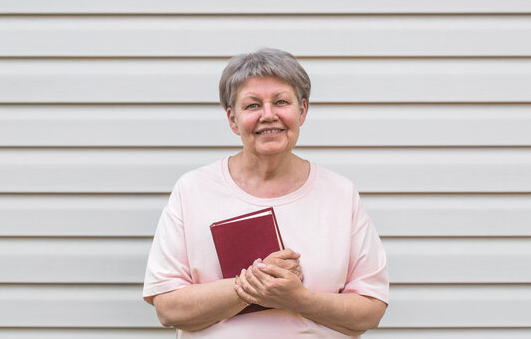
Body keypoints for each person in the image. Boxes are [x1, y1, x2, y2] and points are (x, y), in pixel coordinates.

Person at [143, 48, 389, 338]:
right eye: (252, 106)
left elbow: (370, 309)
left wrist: (298, 298)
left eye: (281, 102)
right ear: (233, 119)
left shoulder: (340, 194)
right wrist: (252, 284)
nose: (268, 115)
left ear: (302, 111)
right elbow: (168, 309)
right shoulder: (192, 190)